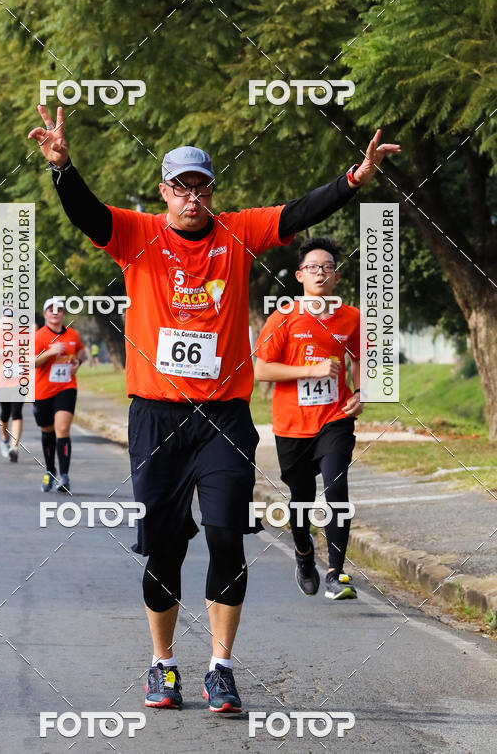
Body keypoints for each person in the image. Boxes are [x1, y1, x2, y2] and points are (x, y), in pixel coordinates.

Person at [28, 104, 399, 712]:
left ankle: (221, 668)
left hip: (223, 418)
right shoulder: (136, 234)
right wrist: (63, 169)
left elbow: (298, 212)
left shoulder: (238, 232)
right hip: (156, 418)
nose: (192, 197)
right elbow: (87, 214)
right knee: (165, 548)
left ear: (211, 192)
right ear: (164, 192)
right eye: (181, 187)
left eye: (201, 187)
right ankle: (163, 664)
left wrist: (353, 179)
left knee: (227, 538)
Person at [254, 237, 363, 600]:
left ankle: (336, 573)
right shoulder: (283, 317)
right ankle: (303, 554)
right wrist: (310, 370)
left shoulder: (351, 317)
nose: (321, 273)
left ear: (336, 277)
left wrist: (361, 393)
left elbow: (362, 358)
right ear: (300, 275)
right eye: (313, 267)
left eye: (328, 267)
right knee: (301, 499)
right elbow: (262, 370)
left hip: (334, 418)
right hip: (292, 425)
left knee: (336, 486)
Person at [33, 298, 83, 493]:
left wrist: (77, 362)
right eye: (51, 309)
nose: (55, 312)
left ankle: (64, 476)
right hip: (43, 390)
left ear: (63, 313)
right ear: (45, 314)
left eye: (59, 309)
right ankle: (50, 470)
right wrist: (50, 352)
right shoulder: (39, 337)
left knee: (62, 428)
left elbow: (79, 349)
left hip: (66, 387)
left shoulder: (72, 334)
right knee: (47, 431)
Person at [0, 323, 24, 463]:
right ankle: (5, 439)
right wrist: (4, 351)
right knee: (5, 413)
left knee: (17, 412)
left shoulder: (24, 333)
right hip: (2, 381)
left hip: (20, 380)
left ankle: (14, 447)